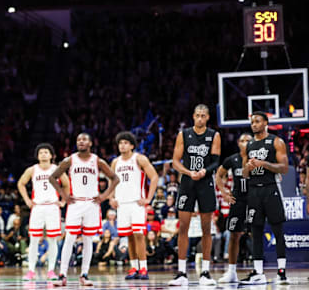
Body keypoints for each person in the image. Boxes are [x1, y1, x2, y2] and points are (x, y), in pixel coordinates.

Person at [50, 132, 119, 286]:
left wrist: (104, 196)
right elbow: (52, 177)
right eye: (78, 139)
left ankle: (84, 274)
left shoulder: (97, 161)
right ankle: (62, 275)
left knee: (88, 240)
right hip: (75, 203)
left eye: (84, 139)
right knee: (69, 239)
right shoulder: (70, 160)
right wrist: (64, 196)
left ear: (90, 143)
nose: (81, 142)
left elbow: (115, 178)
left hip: (92, 204)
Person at [169, 104, 221, 286]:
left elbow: (216, 162)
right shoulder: (184, 134)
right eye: (197, 115)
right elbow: (175, 162)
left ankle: (205, 272)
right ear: (193, 116)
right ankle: (181, 272)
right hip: (187, 183)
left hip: (205, 183)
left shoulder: (214, 135)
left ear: (207, 118)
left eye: (203, 116)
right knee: (183, 227)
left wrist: (205, 171)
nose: (200, 118)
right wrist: (188, 171)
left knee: (207, 229)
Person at [239, 111, 289, 285]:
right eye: (252, 122)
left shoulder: (276, 141)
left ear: (266, 123)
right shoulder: (249, 145)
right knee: (256, 231)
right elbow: (244, 174)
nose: (254, 124)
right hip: (253, 191)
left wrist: (264, 164)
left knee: (277, 230)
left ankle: (281, 271)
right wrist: (248, 167)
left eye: (257, 121)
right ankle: (258, 272)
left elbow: (284, 168)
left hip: (271, 189)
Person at [110, 131, 158, 280]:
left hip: (136, 202)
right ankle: (134, 268)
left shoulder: (139, 158)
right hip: (122, 204)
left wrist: (149, 198)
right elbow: (113, 181)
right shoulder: (115, 162)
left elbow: (154, 176)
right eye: (120, 143)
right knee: (129, 237)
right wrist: (111, 197)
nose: (122, 145)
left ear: (131, 145)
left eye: (125, 143)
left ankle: (143, 268)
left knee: (139, 235)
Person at [17, 143, 69, 281]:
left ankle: (51, 270)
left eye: (46, 152)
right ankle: (31, 271)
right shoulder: (32, 170)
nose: (43, 154)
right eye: (41, 152)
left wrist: (64, 201)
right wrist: (27, 200)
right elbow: (20, 183)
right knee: (34, 240)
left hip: (52, 207)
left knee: (52, 240)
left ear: (51, 155)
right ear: (37, 156)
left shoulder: (57, 169)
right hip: (38, 207)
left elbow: (67, 184)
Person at [215, 133, 252, 283]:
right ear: (238, 143)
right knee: (234, 235)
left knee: (255, 234)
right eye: (242, 140)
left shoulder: (258, 159)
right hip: (237, 201)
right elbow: (218, 175)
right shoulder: (233, 159)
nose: (244, 143)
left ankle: (258, 270)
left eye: (248, 140)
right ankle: (231, 271)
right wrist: (224, 193)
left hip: (254, 200)